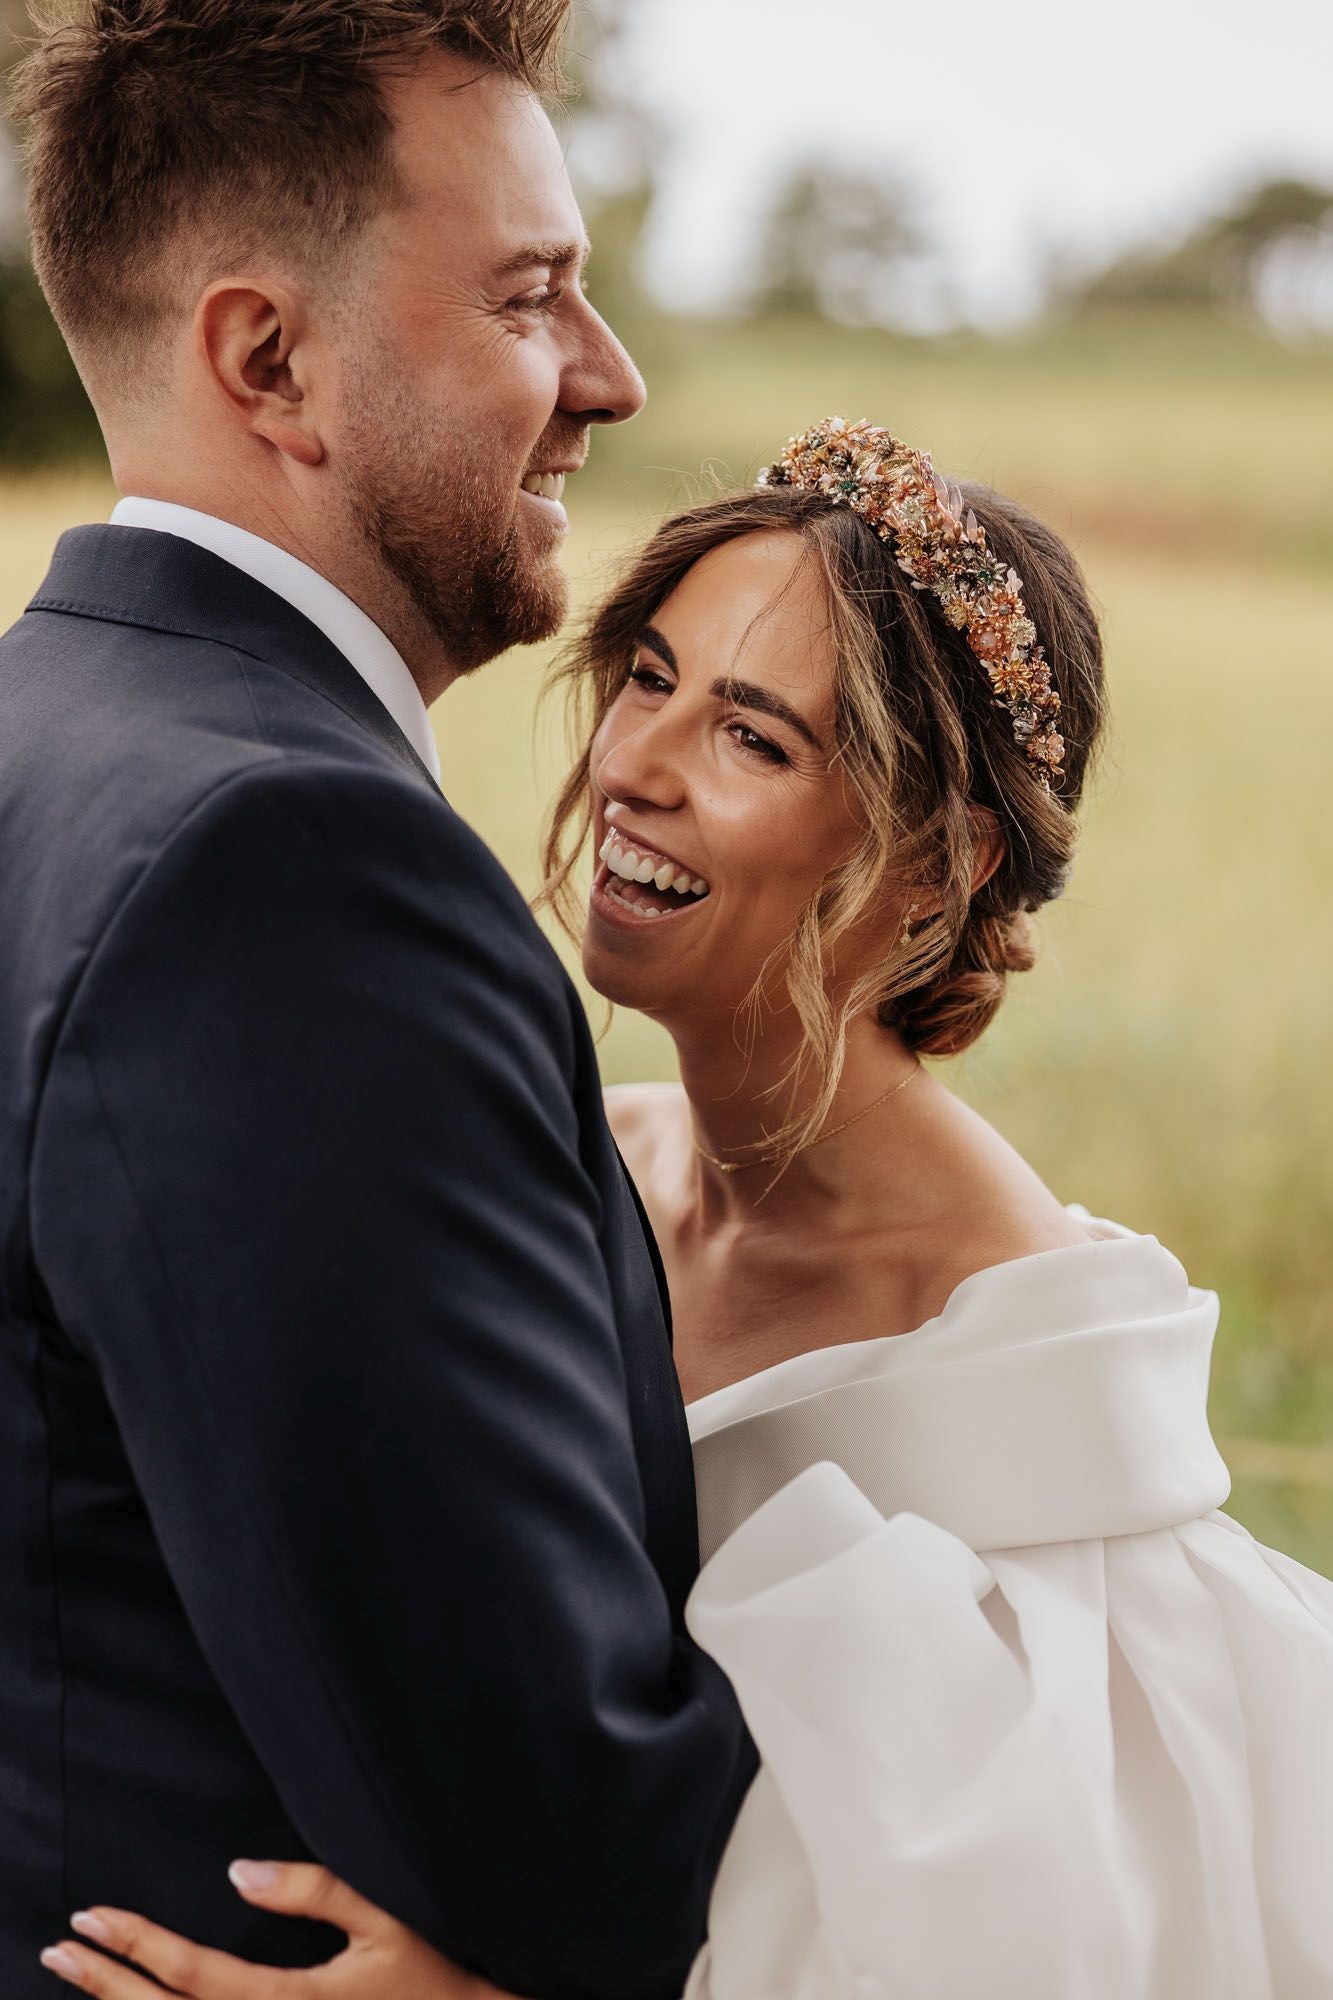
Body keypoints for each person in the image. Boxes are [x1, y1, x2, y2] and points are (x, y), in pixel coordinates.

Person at [43, 421, 1333, 2000]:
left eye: (753, 738)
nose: (634, 767)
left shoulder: (1009, 1362)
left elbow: (1007, 1938)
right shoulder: (571, 1162)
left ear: (940, 863)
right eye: (646, 678)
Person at [1, 6, 758, 1999]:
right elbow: (552, 1822)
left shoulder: (37, 740)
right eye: (531, 298)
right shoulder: (292, 875)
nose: (611, 373)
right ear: (272, 360)